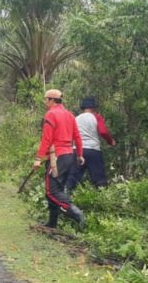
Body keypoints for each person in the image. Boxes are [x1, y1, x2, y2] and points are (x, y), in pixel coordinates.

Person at [33, 88, 85, 230]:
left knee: (51, 191)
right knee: (59, 188)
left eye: (46, 99)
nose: (45, 102)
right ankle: (52, 223)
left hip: (57, 158)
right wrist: (79, 155)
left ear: (52, 100)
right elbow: (77, 137)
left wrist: (38, 158)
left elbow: (46, 139)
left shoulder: (50, 114)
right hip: (69, 156)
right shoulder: (70, 115)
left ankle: (76, 213)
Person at [67, 97, 116, 189]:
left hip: (77, 151)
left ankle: (66, 196)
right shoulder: (96, 117)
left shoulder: (76, 119)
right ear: (93, 107)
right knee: (99, 179)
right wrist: (111, 141)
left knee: (72, 178)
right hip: (93, 151)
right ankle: (103, 195)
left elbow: (70, 135)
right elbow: (103, 132)